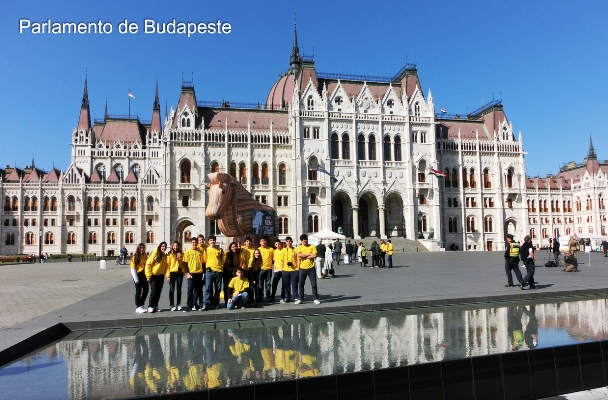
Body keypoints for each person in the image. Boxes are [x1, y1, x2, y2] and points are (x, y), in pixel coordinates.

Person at [295, 234, 320, 305]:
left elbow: (315, 255)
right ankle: (300, 299)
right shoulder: (299, 247)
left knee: (314, 284)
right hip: (302, 268)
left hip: (311, 268)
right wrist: (309, 255)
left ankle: (315, 298)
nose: (304, 241)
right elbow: (299, 255)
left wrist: (304, 255)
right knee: (301, 284)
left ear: (307, 239)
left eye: (305, 239)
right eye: (303, 239)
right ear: (301, 241)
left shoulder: (312, 246)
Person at [202, 235, 225, 311]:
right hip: (209, 271)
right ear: (208, 242)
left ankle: (216, 303)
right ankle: (206, 303)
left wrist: (219, 265)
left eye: (213, 240)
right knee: (208, 288)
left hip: (218, 271)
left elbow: (223, 259)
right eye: (211, 240)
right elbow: (204, 260)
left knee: (218, 288)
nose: (212, 241)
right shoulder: (206, 250)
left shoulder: (220, 250)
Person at [145, 242, 168, 313]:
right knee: (154, 291)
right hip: (154, 276)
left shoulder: (164, 255)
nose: (163, 248)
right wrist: (148, 275)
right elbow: (148, 264)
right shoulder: (154, 253)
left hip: (161, 276)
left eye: (165, 247)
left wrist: (166, 275)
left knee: (158, 292)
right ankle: (150, 306)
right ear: (160, 246)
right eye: (162, 246)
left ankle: (155, 305)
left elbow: (165, 266)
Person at [183, 238, 204, 312]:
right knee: (190, 290)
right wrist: (188, 273)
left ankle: (196, 304)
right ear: (191, 243)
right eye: (193, 242)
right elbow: (185, 263)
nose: (194, 244)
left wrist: (203, 273)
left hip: (199, 273)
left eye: (195, 242)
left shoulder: (201, 252)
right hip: (191, 273)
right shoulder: (187, 252)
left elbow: (203, 262)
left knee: (198, 290)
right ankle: (189, 306)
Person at [166, 241, 185, 311]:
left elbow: (183, 263)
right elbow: (167, 266)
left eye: (177, 246)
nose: (175, 247)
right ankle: (172, 305)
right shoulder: (169, 255)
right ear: (172, 246)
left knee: (179, 289)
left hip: (179, 273)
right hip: (172, 273)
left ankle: (178, 304)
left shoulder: (182, 254)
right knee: (172, 289)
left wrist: (183, 272)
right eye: (174, 246)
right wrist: (168, 275)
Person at [130, 243, 148, 313]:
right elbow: (132, 269)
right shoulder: (135, 257)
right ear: (138, 248)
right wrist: (136, 279)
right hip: (138, 275)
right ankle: (138, 306)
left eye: (143, 248)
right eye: (140, 248)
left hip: (144, 274)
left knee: (146, 290)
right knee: (138, 291)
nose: (142, 249)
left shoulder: (145, 256)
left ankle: (141, 304)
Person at [223, 242, 243, 306]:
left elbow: (239, 262)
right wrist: (229, 267)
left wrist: (235, 269)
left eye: (235, 247)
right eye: (232, 247)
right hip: (227, 271)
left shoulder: (238, 254)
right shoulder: (227, 253)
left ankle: (234, 299)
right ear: (230, 247)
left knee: (234, 286)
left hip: (234, 271)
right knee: (227, 286)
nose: (234, 248)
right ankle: (227, 300)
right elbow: (224, 262)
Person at [257, 237, 274, 303]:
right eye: (262, 241)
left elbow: (273, 258)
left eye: (264, 240)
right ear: (260, 242)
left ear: (266, 242)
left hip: (268, 269)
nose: (263, 242)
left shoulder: (271, 249)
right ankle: (261, 296)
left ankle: (268, 296)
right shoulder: (258, 249)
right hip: (260, 269)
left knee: (268, 283)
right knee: (260, 284)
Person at [281, 237, 298, 303]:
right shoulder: (283, 250)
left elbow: (297, 260)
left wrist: (297, 269)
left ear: (292, 242)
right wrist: (281, 269)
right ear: (285, 242)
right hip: (285, 270)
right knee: (286, 285)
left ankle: (295, 297)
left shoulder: (295, 250)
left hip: (294, 270)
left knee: (294, 284)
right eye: (287, 241)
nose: (289, 242)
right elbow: (281, 261)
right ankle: (287, 297)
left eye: (290, 241)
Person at [242, 237, 257, 304]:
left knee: (251, 285)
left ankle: (251, 299)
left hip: (251, 270)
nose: (248, 242)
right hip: (243, 270)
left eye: (249, 241)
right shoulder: (242, 249)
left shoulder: (253, 249)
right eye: (247, 241)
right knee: (244, 285)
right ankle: (244, 299)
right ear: (244, 242)